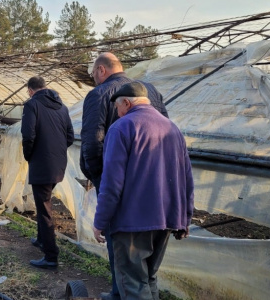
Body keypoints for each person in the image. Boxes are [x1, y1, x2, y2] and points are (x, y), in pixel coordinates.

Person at [93, 82, 194, 300]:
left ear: (127, 103)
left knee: (133, 282)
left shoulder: (122, 128)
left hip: (132, 223)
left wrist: (100, 222)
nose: (118, 114)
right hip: (166, 220)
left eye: (118, 109)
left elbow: (111, 184)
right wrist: (185, 218)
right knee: (148, 278)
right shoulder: (172, 128)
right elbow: (186, 178)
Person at [80, 52, 168, 300]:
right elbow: (163, 134)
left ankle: (121, 293)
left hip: (117, 180)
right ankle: (125, 292)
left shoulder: (99, 95)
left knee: (119, 240)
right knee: (145, 259)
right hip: (152, 183)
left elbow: (91, 143)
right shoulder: (150, 90)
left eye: (93, 74)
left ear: (101, 70)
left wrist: (99, 178)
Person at [21, 76, 74, 269]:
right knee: (44, 200)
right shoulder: (62, 107)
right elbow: (69, 136)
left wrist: (30, 155)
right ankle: (41, 239)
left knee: (44, 208)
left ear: (30, 90)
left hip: (41, 164)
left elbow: (28, 135)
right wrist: (56, 152)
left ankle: (51, 256)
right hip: (58, 164)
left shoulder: (32, 105)